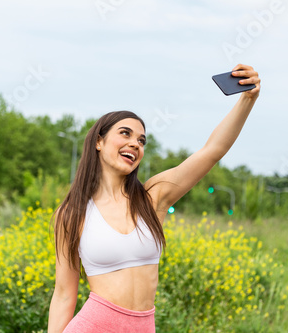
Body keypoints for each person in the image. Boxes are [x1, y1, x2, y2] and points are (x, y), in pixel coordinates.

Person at [47, 64, 261, 332]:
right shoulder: (72, 214)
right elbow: (64, 294)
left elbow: (212, 151)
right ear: (99, 142)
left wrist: (247, 99)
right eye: (125, 133)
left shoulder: (152, 197)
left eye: (142, 140)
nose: (136, 144)